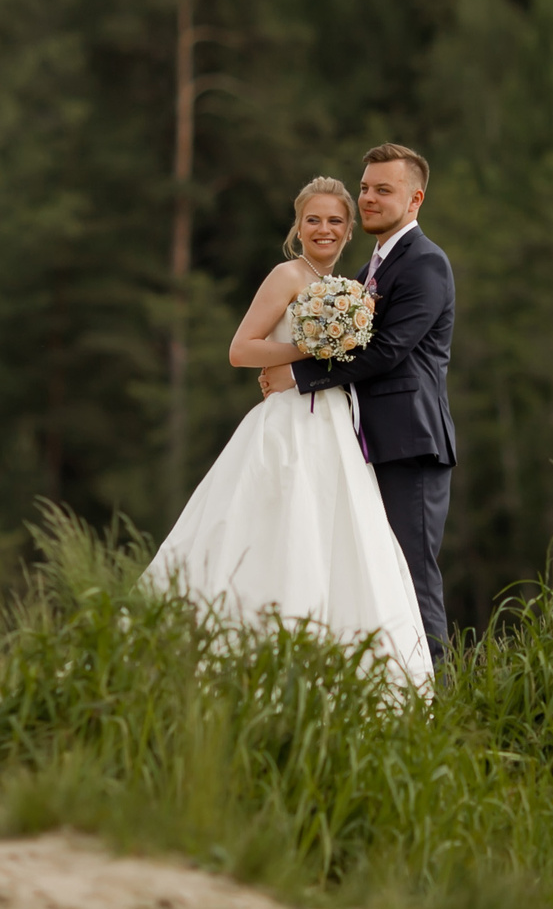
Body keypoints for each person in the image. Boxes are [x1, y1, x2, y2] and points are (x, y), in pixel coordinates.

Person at [144, 175, 433, 686]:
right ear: (298, 227)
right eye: (313, 220)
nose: (324, 229)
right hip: (288, 424)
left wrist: (333, 344)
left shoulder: (356, 287)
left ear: (348, 233)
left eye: (335, 221)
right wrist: (311, 349)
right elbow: (242, 350)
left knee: (341, 536)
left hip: (337, 425)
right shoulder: (287, 275)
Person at [258, 144, 455, 666]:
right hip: (362, 441)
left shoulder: (426, 264)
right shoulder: (372, 266)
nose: (368, 198)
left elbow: (389, 352)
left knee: (411, 574)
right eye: (365, 188)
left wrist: (297, 374)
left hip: (410, 442)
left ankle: (442, 699)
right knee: (372, 574)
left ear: (415, 199)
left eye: (382, 190)